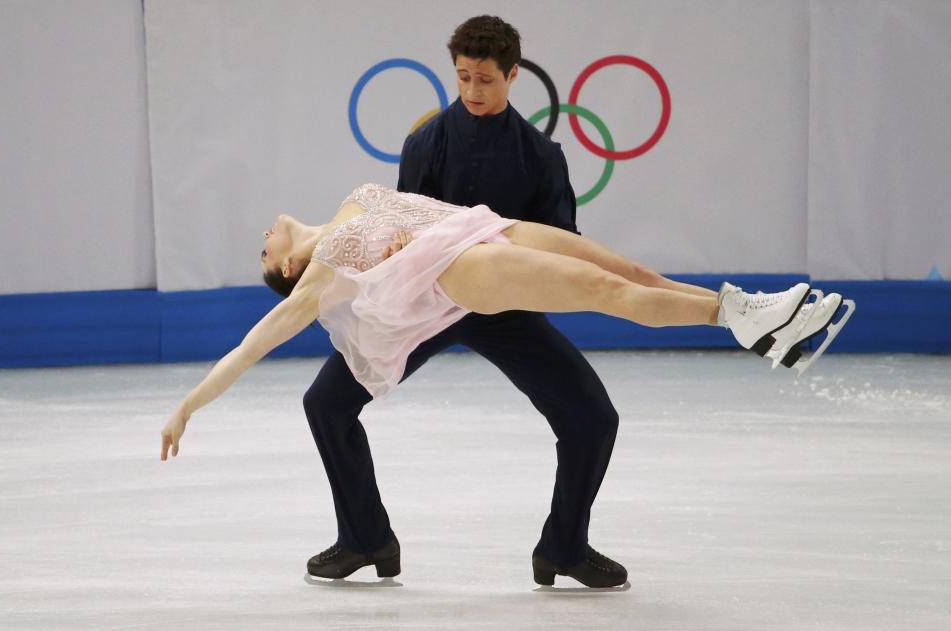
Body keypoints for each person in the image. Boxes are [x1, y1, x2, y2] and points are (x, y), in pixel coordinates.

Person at [160, 182, 831, 586]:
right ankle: (740, 319)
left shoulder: (346, 202)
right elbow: (254, 344)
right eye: (262, 254)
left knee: (623, 265)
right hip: (456, 265)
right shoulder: (317, 275)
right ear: (283, 267)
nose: (263, 238)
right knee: (602, 290)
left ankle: (752, 314)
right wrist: (188, 406)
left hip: (480, 223)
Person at [304, 15, 632, 589]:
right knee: (325, 404)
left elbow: (561, 249)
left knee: (594, 420)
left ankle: (564, 547)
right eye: (463, 78)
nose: (474, 92)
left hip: (507, 315)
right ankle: (364, 537)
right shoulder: (425, 144)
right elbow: (399, 236)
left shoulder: (541, 157)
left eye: (486, 80)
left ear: (512, 76)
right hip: (425, 309)